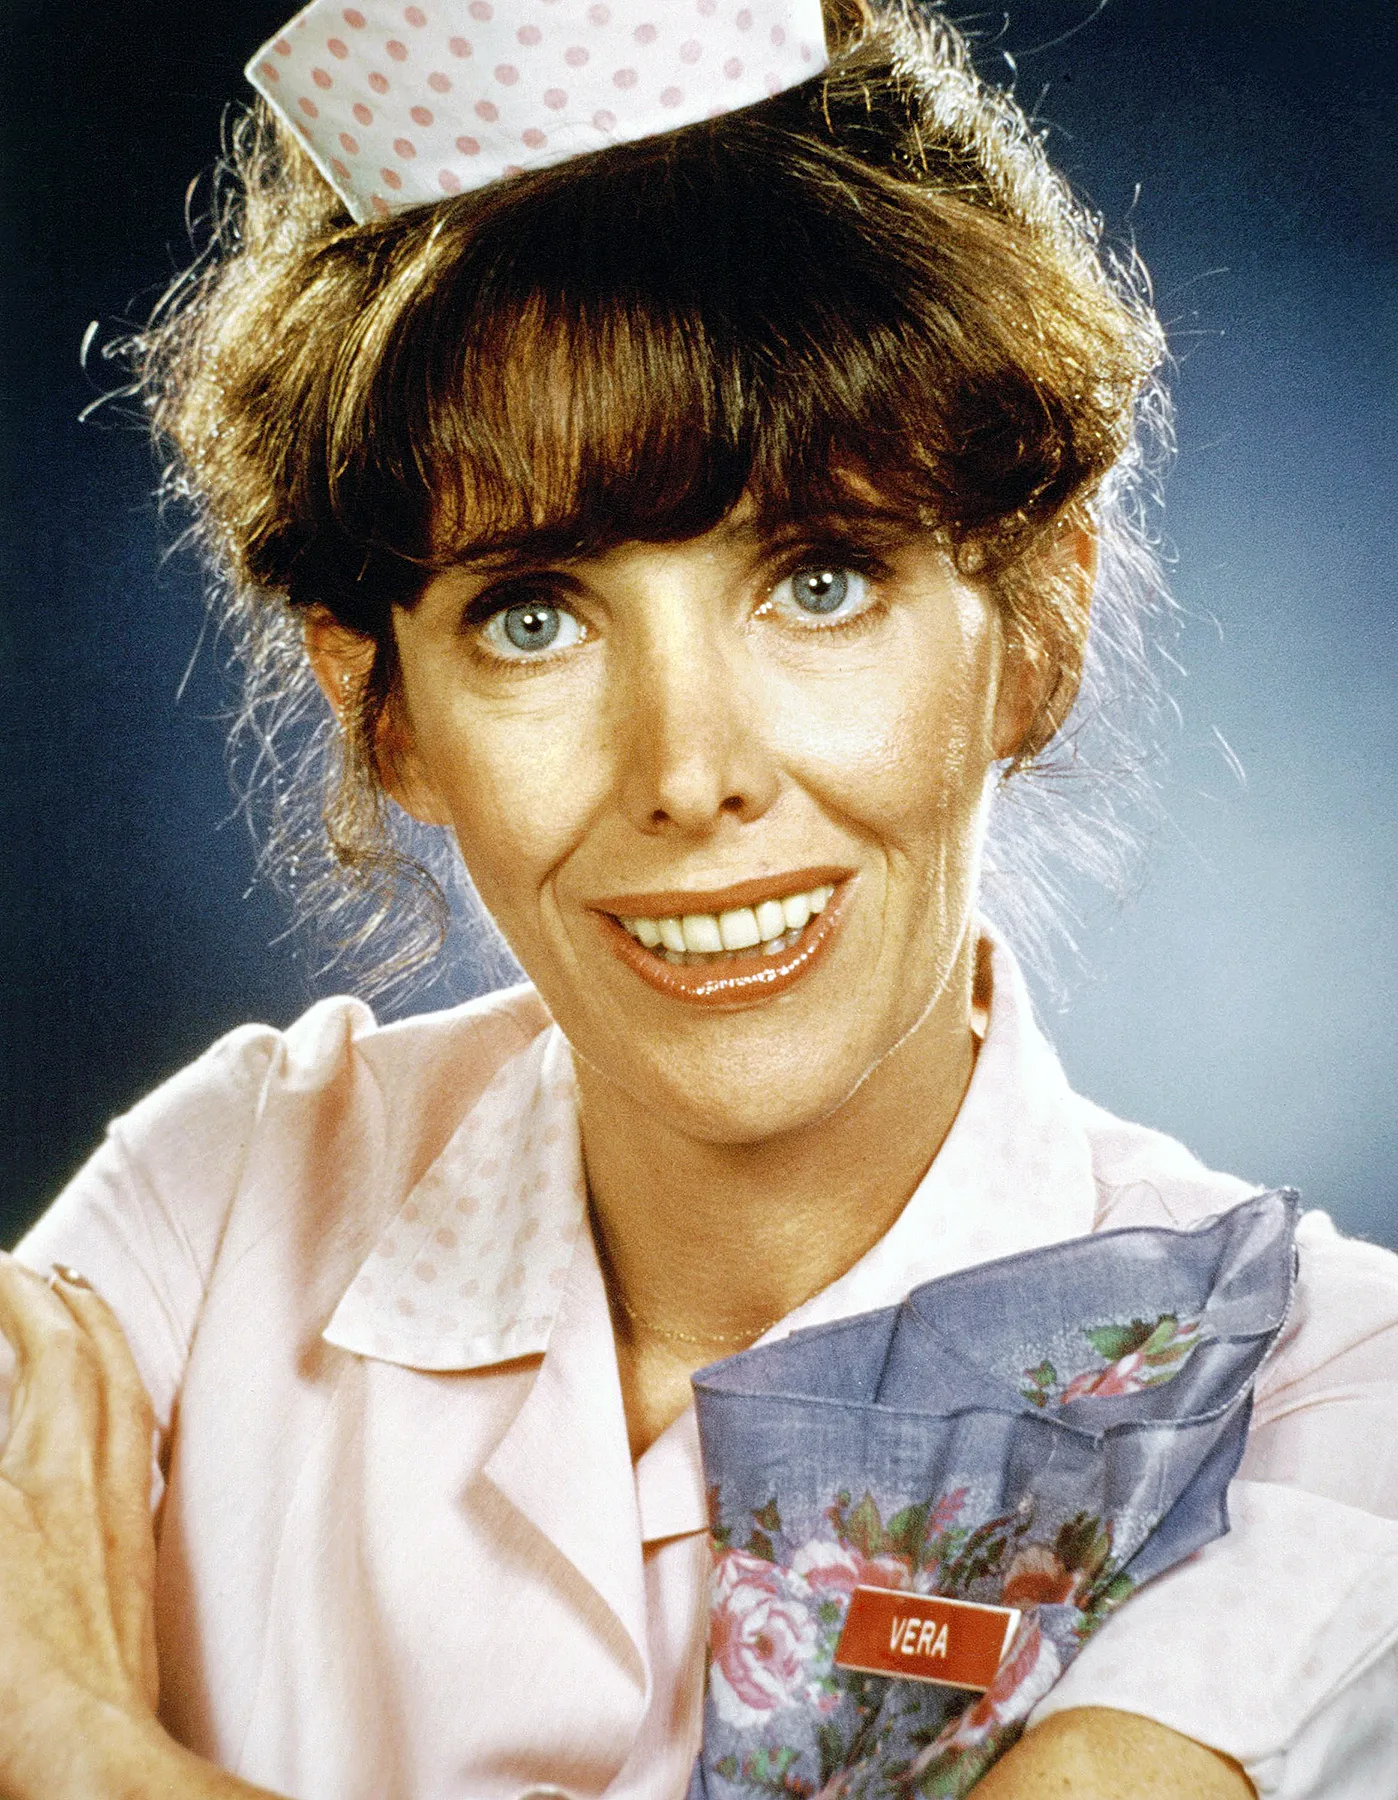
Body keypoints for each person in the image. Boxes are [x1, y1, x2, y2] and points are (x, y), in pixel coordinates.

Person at [1, 2, 1395, 1797]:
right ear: (385, 708)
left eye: (819, 579)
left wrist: (77, 1752)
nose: (688, 771)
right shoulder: (226, 1193)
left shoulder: (1319, 1393)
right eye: (533, 616)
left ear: (1033, 630)